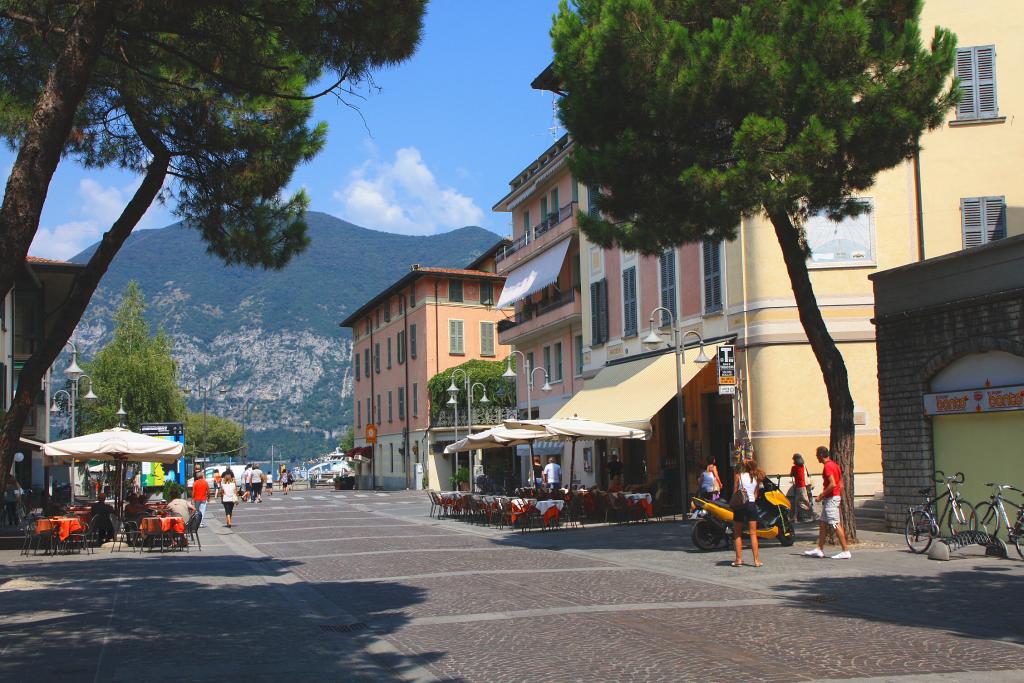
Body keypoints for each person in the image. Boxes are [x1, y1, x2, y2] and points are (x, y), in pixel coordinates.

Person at [804, 446, 851, 560]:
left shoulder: (828, 466)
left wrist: (821, 496)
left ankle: (845, 551)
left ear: (821, 455)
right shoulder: (835, 465)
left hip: (831, 499)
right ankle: (819, 549)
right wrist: (838, 497)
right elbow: (840, 484)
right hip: (833, 498)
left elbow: (833, 484)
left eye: (817, 455)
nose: (816, 457)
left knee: (835, 524)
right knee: (823, 523)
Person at [730, 458, 765, 568]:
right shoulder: (756, 477)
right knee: (753, 534)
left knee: (738, 534)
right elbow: (756, 494)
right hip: (751, 505)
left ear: (743, 467)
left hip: (740, 505)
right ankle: (757, 561)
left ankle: (738, 560)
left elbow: (735, 492)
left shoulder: (738, 476)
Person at [789, 453, 815, 523]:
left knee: (803, 502)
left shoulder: (794, 468)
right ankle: (795, 517)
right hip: (804, 486)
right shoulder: (803, 467)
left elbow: (791, 475)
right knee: (800, 502)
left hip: (799, 487)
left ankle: (812, 515)